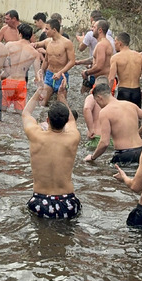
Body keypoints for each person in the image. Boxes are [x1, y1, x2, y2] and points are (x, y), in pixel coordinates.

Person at [22, 86, 82, 219]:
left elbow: (26, 114)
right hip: (68, 201)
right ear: (65, 122)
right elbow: (72, 120)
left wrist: (37, 93)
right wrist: (62, 96)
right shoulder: (73, 138)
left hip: (40, 201)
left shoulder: (36, 135)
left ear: (47, 120)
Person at [85, 81, 142, 165]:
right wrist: (140, 132)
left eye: (97, 101)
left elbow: (104, 143)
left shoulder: (105, 112)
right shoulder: (130, 105)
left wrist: (92, 157)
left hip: (124, 154)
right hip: (141, 151)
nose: (98, 105)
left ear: (99, 97)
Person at [2, 23, 42, 112]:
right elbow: (38, 75)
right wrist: (40, 91)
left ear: (20, 34)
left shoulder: (9, 45)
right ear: (30, 36)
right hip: (21, 83)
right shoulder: (35, 53)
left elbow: (1, 63)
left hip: (8, 82)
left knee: (2, 111)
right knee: (20, 114)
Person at [37, 19, 76, 104]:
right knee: (41, 103)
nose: (44, 31)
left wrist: (60, 73)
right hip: (49, 74)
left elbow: (72, 61)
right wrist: (41, 71)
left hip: (61, 76)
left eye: (47, 29)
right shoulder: (47, 42)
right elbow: (46, 60)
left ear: (54, 30)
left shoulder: (67, 43)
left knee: (61, 105)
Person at [109, 32, 142, 107]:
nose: (114, 43)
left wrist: (108, 95)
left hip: (123, 91)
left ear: (120, 43)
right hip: (136, 92)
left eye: (115, 41)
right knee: (136, 113)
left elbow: (111, 78)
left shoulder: (115, 58)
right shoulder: (138, 56)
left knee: (123, 114)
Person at [79, 19, 115, 93]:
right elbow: (96, 59)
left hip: (102, 81)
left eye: (94, 27)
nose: (92, 29)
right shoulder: (104, 43)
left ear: (100, 30)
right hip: (102, 80)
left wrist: (87, 72)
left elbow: (99, 66)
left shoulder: (101, 45)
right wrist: (78, 62)